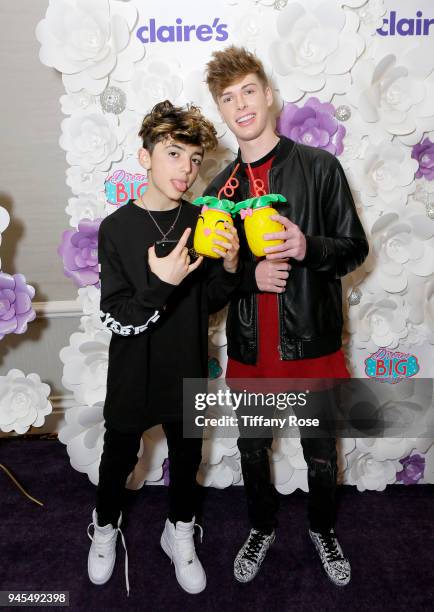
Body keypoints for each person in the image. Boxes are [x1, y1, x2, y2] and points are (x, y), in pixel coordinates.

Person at [204, 46, 369, 586]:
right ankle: (261, 527)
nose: (241, 105)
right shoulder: (218, 189)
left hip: (313, 341)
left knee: (320, 452)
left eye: (249, 90)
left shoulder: (319, 167)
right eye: (228, 99)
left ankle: (322, 529)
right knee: (253, 450)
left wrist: (306, 246)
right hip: (252, 349)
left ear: (269, 96)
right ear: (221, 111)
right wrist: (243, 276)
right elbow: (210, 288)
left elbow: (353, 248)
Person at [87, 100, 240, 596]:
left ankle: (179, 531)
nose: (186, 169)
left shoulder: (204, 220)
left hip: (187, 366)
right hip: (134, 370)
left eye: (195, 158)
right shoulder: (116, 228)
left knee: (187, 454)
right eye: (174, 154)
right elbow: (116, 315)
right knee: (118, 459)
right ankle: (105, 528)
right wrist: (159, 284)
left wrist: (233, 266)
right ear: (145, 156)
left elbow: (210, 301)